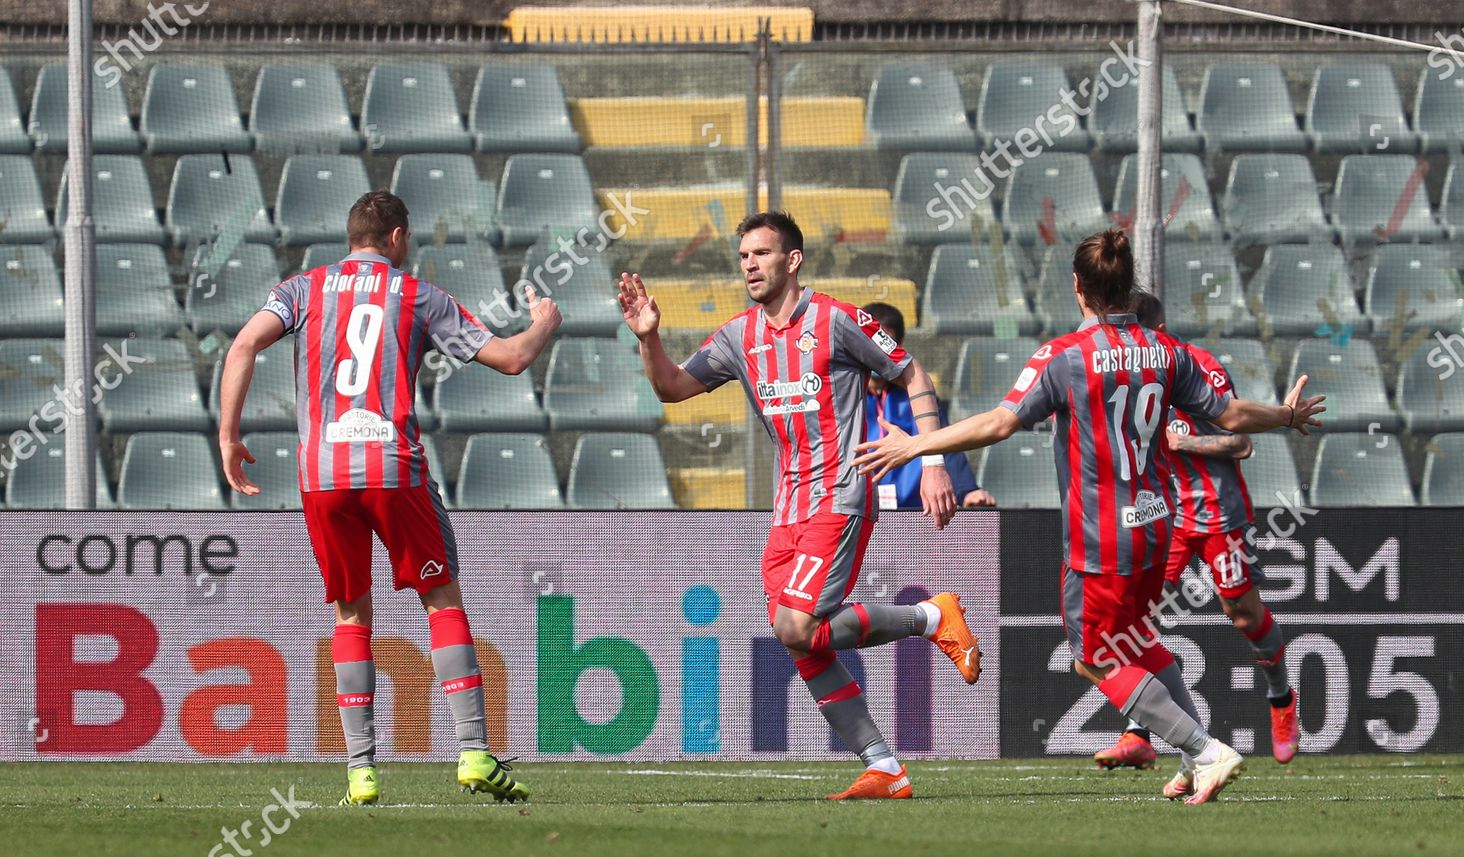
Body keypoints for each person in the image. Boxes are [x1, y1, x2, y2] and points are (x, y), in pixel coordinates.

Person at [854, 229, 1324, 805]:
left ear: (1078, 288)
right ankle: (1190, 754)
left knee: (1095, 659)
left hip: (1102, 536)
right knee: (1137, 641)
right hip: (1157, 524)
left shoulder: (1065, 356)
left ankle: (1204, 749)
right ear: (1129, 286)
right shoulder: (1168, 352)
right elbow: (1228, 414)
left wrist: (916, 447)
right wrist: (1284, 415)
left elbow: (1000, 424)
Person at [617, 210, 982, 800]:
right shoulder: (740, 336)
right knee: (797, 636)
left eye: (760, 254)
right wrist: (648, 336)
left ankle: (929, 618)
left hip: (840, 494)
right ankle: (884, 765)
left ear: (792, 260)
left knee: (794, 622)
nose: (749, 266)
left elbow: (914, 373)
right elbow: (671, 389)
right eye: (742, 257)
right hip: (787, 505)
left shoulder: (838, 320)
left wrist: (933, 459)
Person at [217, 191, 562, 806]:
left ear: (351, 238)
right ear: (397, 238)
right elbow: (511, 360)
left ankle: (361, 771)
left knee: (351, 613)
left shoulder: (302, 290)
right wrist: (544, 324)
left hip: (322, 475)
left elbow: (241, 346)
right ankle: (475, 754)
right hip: (392, 468)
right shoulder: (419, 294)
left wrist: (227, 436)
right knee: (440, 599)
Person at [1094, 293, 1300, 789]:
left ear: (1159, 330)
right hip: (1160, 515)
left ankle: (1281, 696)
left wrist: (1185, 443)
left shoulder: (1199, 367)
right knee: (1133, 622)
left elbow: (1240, 443)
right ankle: (1141, 733)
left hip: (1215, 514)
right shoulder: (1123, 378)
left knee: (1243, 615)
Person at [860, 302, 996, 512]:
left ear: (899, 344)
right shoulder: (844, 396)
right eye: (871, 343)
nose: (878, 353)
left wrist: (968, 490)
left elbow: (941, 444)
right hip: (858, 512)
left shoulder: (918, 398)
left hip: (913, 514)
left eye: (885, 343)